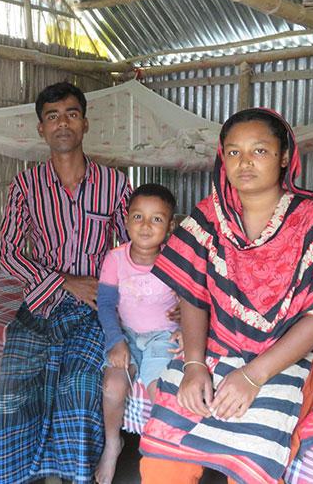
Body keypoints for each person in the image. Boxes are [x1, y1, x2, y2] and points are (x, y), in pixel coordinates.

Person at [139, 108, 313, 484]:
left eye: (259, 151)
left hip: (285, 355)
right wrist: (195, 365)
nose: (244, 162)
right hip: (216, 345)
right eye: (233, 152)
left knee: (254, 455)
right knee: (164, 458)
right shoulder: (209, 216)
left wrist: (253, 376)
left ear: (283, 157)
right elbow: (193, 294)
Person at [0, 81, 132, 484]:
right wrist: (64, 282)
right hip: (40, 306)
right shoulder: (26, 185)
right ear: (41, 129)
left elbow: (134, 246)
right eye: (52, 117)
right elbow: (8, 253)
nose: (62, 123)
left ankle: (75, 476)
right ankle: (21, 475)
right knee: (9, 396)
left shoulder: (115, 184)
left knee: (78, 388)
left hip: (93, 309)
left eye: (71, 114)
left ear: (85, 123)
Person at [94, 183, 183, 484]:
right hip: (127, 334)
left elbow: (194, 298)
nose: (146, 226)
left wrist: (184, 324)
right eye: (138, 217)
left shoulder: (176, 259)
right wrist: (115, 340)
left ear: (171, 225)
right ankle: (112, 445)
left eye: (157, 219)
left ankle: (158, 456)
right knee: (112, 388)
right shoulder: (115, 259)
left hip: (162, 337)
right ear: (126, 220)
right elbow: (105, 304)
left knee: (161, 393)